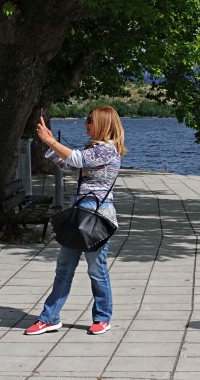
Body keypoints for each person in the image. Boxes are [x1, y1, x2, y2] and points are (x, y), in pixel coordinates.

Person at [25, 106, 127, 336]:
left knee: (96, 270)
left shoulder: (107, 150)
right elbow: (69, 164)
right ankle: (49, 318)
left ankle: (102, 317)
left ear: (103, 123)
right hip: (79, 213)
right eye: (86, 119)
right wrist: (50, 144)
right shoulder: (94, 149)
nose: (86, 123)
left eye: (90, 120)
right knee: (64, 268)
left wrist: (50, 141)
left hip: (97, 217)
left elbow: (77, 159)